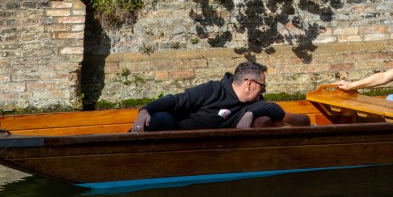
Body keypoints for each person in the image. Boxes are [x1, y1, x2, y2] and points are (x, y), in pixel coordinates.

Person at [131, 61, 310, 131]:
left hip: (205, 149)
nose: (264, 91)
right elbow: (176, 100)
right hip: (178, 132)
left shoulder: (253, 104)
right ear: (250, 83)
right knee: (160, 119)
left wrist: (250, 114)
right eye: (263, 86)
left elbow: (275, 109)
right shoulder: (213, 90)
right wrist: (145, 110)